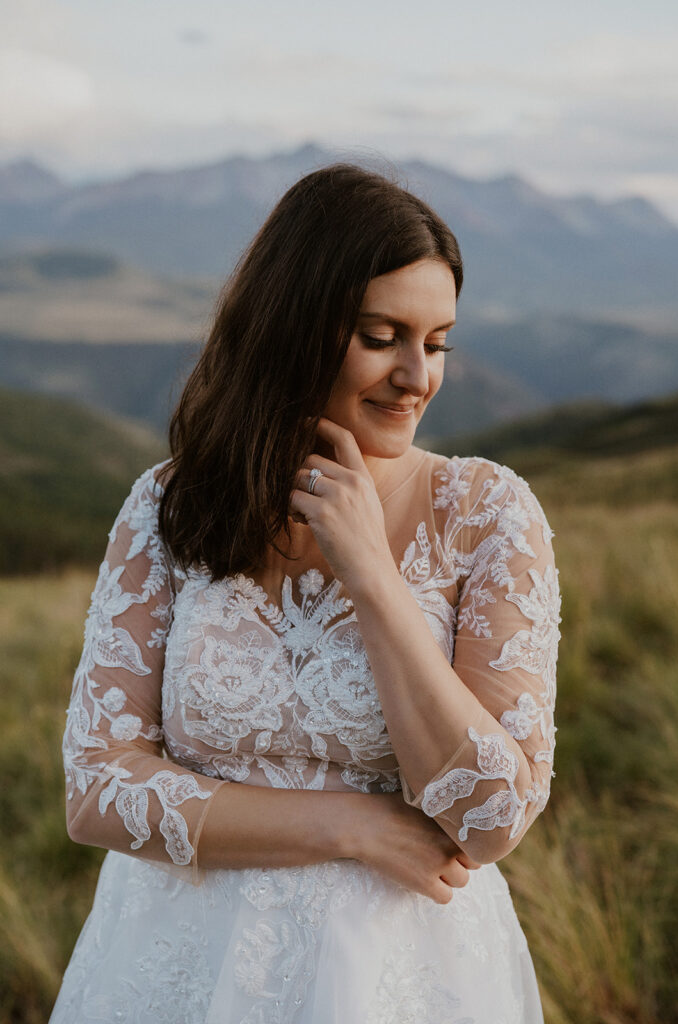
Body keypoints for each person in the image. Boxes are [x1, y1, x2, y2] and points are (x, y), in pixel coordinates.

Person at [49, 162, 561, 1023]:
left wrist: (372, 574)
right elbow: (97, 787)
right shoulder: (169, 503)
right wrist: (348, 826)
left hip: (398, 974)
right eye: (379, 335)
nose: (416, 377)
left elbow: (490, 820)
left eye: (435, 343)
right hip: (173, 964)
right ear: (294, 327)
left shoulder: (488, 515)